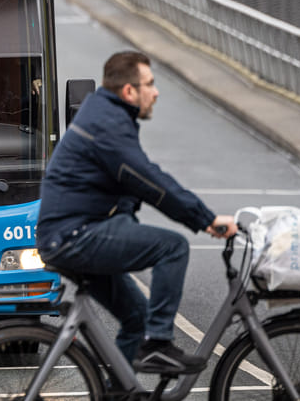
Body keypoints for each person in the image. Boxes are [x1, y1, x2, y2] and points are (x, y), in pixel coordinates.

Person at [35, 50, 237, 375]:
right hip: (74, 235)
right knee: (173, 247)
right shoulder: (107, 124)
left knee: (136, 318)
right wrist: (206, 219)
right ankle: (158, 346)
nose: (156, 92)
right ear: (129, 91)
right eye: (150, 84)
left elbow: (127, 184)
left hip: (73, 232)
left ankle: (120, 391)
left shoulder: (107, 116)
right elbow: (149, 181)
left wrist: (126, 226)